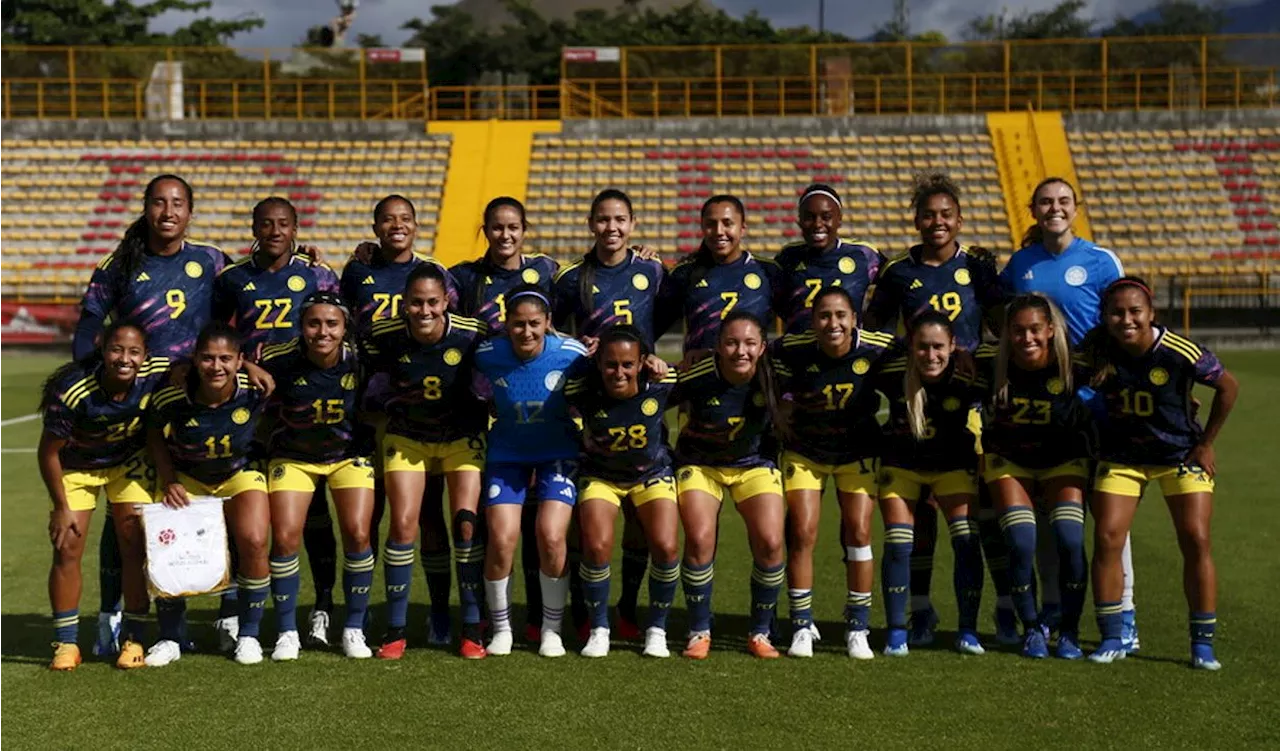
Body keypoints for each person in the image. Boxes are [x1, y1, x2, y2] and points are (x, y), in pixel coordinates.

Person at [71, 174, 231, 656]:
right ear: (145, 208)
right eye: (158, 202)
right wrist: (90, 383)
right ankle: (112, 616)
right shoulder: (119, 263)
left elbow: (245, 299)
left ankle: (225, 611)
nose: (168, 211)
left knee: (213, 504)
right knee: (126, 519)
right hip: (135, 410)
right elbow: (86, 329)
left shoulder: (211, 261)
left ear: (190, 211)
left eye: (178, 203)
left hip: (196, 406)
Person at [863, 171, 1011, 646]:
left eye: (946, 214)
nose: (937, 222)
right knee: (919, 518)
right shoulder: (899, 272)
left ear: (959, 218)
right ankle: (920, 612)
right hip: (917, 395)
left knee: (980, 517)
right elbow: (874, 326)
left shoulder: (980, 266)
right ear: (917, 220)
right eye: (928, 214)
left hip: (968, 398)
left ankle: (1002, 610)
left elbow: (1000, 325)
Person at [999, 176, 1135, 648]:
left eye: (1062, 201)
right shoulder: (1021, 264)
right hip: (1041, 401)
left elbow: (1125, 319)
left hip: (1094, 401)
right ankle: (1053, 614)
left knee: (1110, 511)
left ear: (1076, 208)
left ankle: (1126, 611)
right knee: (1047, 520)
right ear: (1033, 210)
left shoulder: (1101, 261)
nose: (1054, 208)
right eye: (1045, 202)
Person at [1081, 277, 1237, 670]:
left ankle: (1202, 644)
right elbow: (1074, 384)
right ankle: (1113, 636)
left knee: (1196, 538)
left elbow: (1229, 387)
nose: (1126, 319)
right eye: (1117, 312)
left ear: (1152, 313)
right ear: (1105, 316)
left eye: (1135, 311)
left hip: (1180, 455)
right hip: (1122, 458)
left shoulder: (1178, 351)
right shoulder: (1096, 347)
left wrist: (1207, 442)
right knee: (1107, 537)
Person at [213, 196, 343, 649]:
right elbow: (216, 338)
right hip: (249, 406)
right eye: (265, 223)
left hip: (308, 401)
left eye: (283, 223)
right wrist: (244, 363)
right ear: (253, 227)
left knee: (315, 512)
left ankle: (322, 606)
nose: (274, 230)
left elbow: (340, 328)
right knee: (241, 508)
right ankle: (231, 606)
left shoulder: (318, 274)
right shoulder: (231, 279)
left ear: (295, 228)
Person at [341, 194, 459, 645]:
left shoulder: (435, 273)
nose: (397, 226)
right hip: (367, 406)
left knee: (427, 516)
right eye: (387, 220)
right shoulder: (358, 270)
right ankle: (359, 615)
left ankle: (439, 613)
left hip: (419, 411)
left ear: (416, 225)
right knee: (367, 517)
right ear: (374, 228)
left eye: (405, 219)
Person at [553, 189, 668, 642]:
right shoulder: (571, 277)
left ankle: (627, 607)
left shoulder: (653, 271)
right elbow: (550, 325)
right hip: (592, 398)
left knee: (642, 526)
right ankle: (586, 610)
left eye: (620, 219)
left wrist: (655, 360)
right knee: (590, 526)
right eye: (603, 219)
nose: (612, 228)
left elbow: (678, 304)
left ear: (633, 224)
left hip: (639, 395)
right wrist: (578, 347)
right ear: (590, 224)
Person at [361, 263, 489, 659]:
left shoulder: (473, 333)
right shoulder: (383, 335)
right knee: (403, 525)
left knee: (465, 525)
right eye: (416, 303)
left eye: (432, 301)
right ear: (404, 304)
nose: (425, 310)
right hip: (408, 438)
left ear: (446, 301)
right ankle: (396, 630)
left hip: (460, 438)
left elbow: (513, 352)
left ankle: (472, 627)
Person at [451, 197, 560, 643]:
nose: (506, 235)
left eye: (513, 227)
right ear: (485, 230)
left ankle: (539, 616)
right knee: (491, 527)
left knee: (541, 527)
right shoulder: (464, 277)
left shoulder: (550, 273)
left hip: (540, 414)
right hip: (488, 415)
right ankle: (482, 619)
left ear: (524, 229)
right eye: (497, 228)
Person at [770, 286, 895, 659]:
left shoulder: (880, 347)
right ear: (812, 320)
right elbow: (760, 354)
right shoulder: (792, 349)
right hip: (807, 451)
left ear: (855, 318)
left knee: (858, 532)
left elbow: (922, 350)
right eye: (824, 315)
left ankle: (858, 626)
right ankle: (801, 624)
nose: (833, 323)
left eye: (841, 315)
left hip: (857, 451)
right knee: (803, 531)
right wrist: (787, 403)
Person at [38, 322, 170, 670]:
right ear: (102, 348)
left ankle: (133, 638)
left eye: (133, 352)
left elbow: (202, 362)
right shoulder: (73, 389)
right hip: (77, 468)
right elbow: (48, 453)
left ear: (145, 355)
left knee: (135, 544)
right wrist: (60, 507)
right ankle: (66, 644)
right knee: (67, 545)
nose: (124, 359)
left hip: (128, 464)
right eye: (116, 349)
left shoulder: (158, 371)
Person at [259, 292, 376, 661]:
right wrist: (249, 367)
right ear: (301, 326)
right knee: (285, 536)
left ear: (344, 328)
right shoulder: (281, 359)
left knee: (358, 532)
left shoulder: (360, 362)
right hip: (294, 457)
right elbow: (240, 370)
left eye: (331, 324)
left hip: (346, 457)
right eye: (313, 323)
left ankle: (354, 627)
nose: (322, 331)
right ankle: (286, 631)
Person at [145, 323, 271, 666]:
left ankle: (249, 635)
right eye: (208, 358)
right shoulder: (173, 395)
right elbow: (154, 434)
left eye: (226, 359)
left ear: (240, 361)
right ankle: (170, 636)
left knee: (255, 540)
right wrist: (169, 479)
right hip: (188, 478)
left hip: (239, 474)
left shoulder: (256, 388)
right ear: (195, 360)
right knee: (168, 547)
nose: (217, 367)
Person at [473, 286, 590, 658]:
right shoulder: (488, 355)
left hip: (557, 454)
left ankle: (552, 630)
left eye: (534, 324)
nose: (526, 332)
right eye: (518, 324)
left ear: (548, 324)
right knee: (503, 538)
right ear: (506, 324)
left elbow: (600, 383)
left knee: (552, 536)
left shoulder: (571, 354)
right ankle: (503, 628)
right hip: (507, 456)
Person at [976, 294, 1092, 660]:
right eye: (1018, 331)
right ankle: (1032, 629)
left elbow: (1123, 380)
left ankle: (1069, 630)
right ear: (1007, 333)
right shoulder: (988, 362)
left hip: (1063, 460)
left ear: (1051, 329)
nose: (1027, 339)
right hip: (1010, 462)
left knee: (1071, 540)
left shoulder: (1074, 364)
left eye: (1035, 330)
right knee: (1022, 542)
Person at [672, 312, 788, 660]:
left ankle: (760, 631)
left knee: (770, 541)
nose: (741, 351)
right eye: (732, 342)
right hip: (701, 465)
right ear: (718, 347)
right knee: (700, 537)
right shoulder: (698, 375)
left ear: (762, 346)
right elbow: (649, 399)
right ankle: (699, 629)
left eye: (750, 343)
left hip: (752, 465)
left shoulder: (774, 376)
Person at [875, 310, 987, 657]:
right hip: (902, 466)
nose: (931, 355)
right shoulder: (891, 373)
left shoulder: (969, 376)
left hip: (952, 466)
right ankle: (899, 628)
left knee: (966, 540)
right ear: (910, 347)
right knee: (898, 542)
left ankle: (967, 629)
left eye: (938, 346)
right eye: (922, 347)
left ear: (953, 345)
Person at [564, 325, 680, 658]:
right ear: (599, 365)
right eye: (610, 364)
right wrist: (587, 360)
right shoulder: (583, 389)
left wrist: (660, 364)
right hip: (601, 476)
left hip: (652, 474)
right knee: (598, 545)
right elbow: (567, 385)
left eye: (628, 364)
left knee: (666, 545)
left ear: (642, 362)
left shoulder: (662, 385)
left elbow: (695, 383)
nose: (619, 372)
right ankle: (600, 628)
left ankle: (656, 629)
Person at [657, 195, 782, 356]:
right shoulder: (685, 273)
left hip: (754, 375)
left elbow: (795, 321)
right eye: (711, 224)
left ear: (742, 228)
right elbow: (651, 325)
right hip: (701, 374)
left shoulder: (767, 270)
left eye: (727, 223)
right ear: (702, 227)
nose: (719, 231)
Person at [773, 184, 885, 334]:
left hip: (846, 352)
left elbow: (896, 285)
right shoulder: (788, 257)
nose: (818, 224)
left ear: (839, 219)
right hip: (800, 352)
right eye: (809, 217)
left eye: (826, 217)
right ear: (799, 221)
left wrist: (872, 323)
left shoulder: (864, 255)